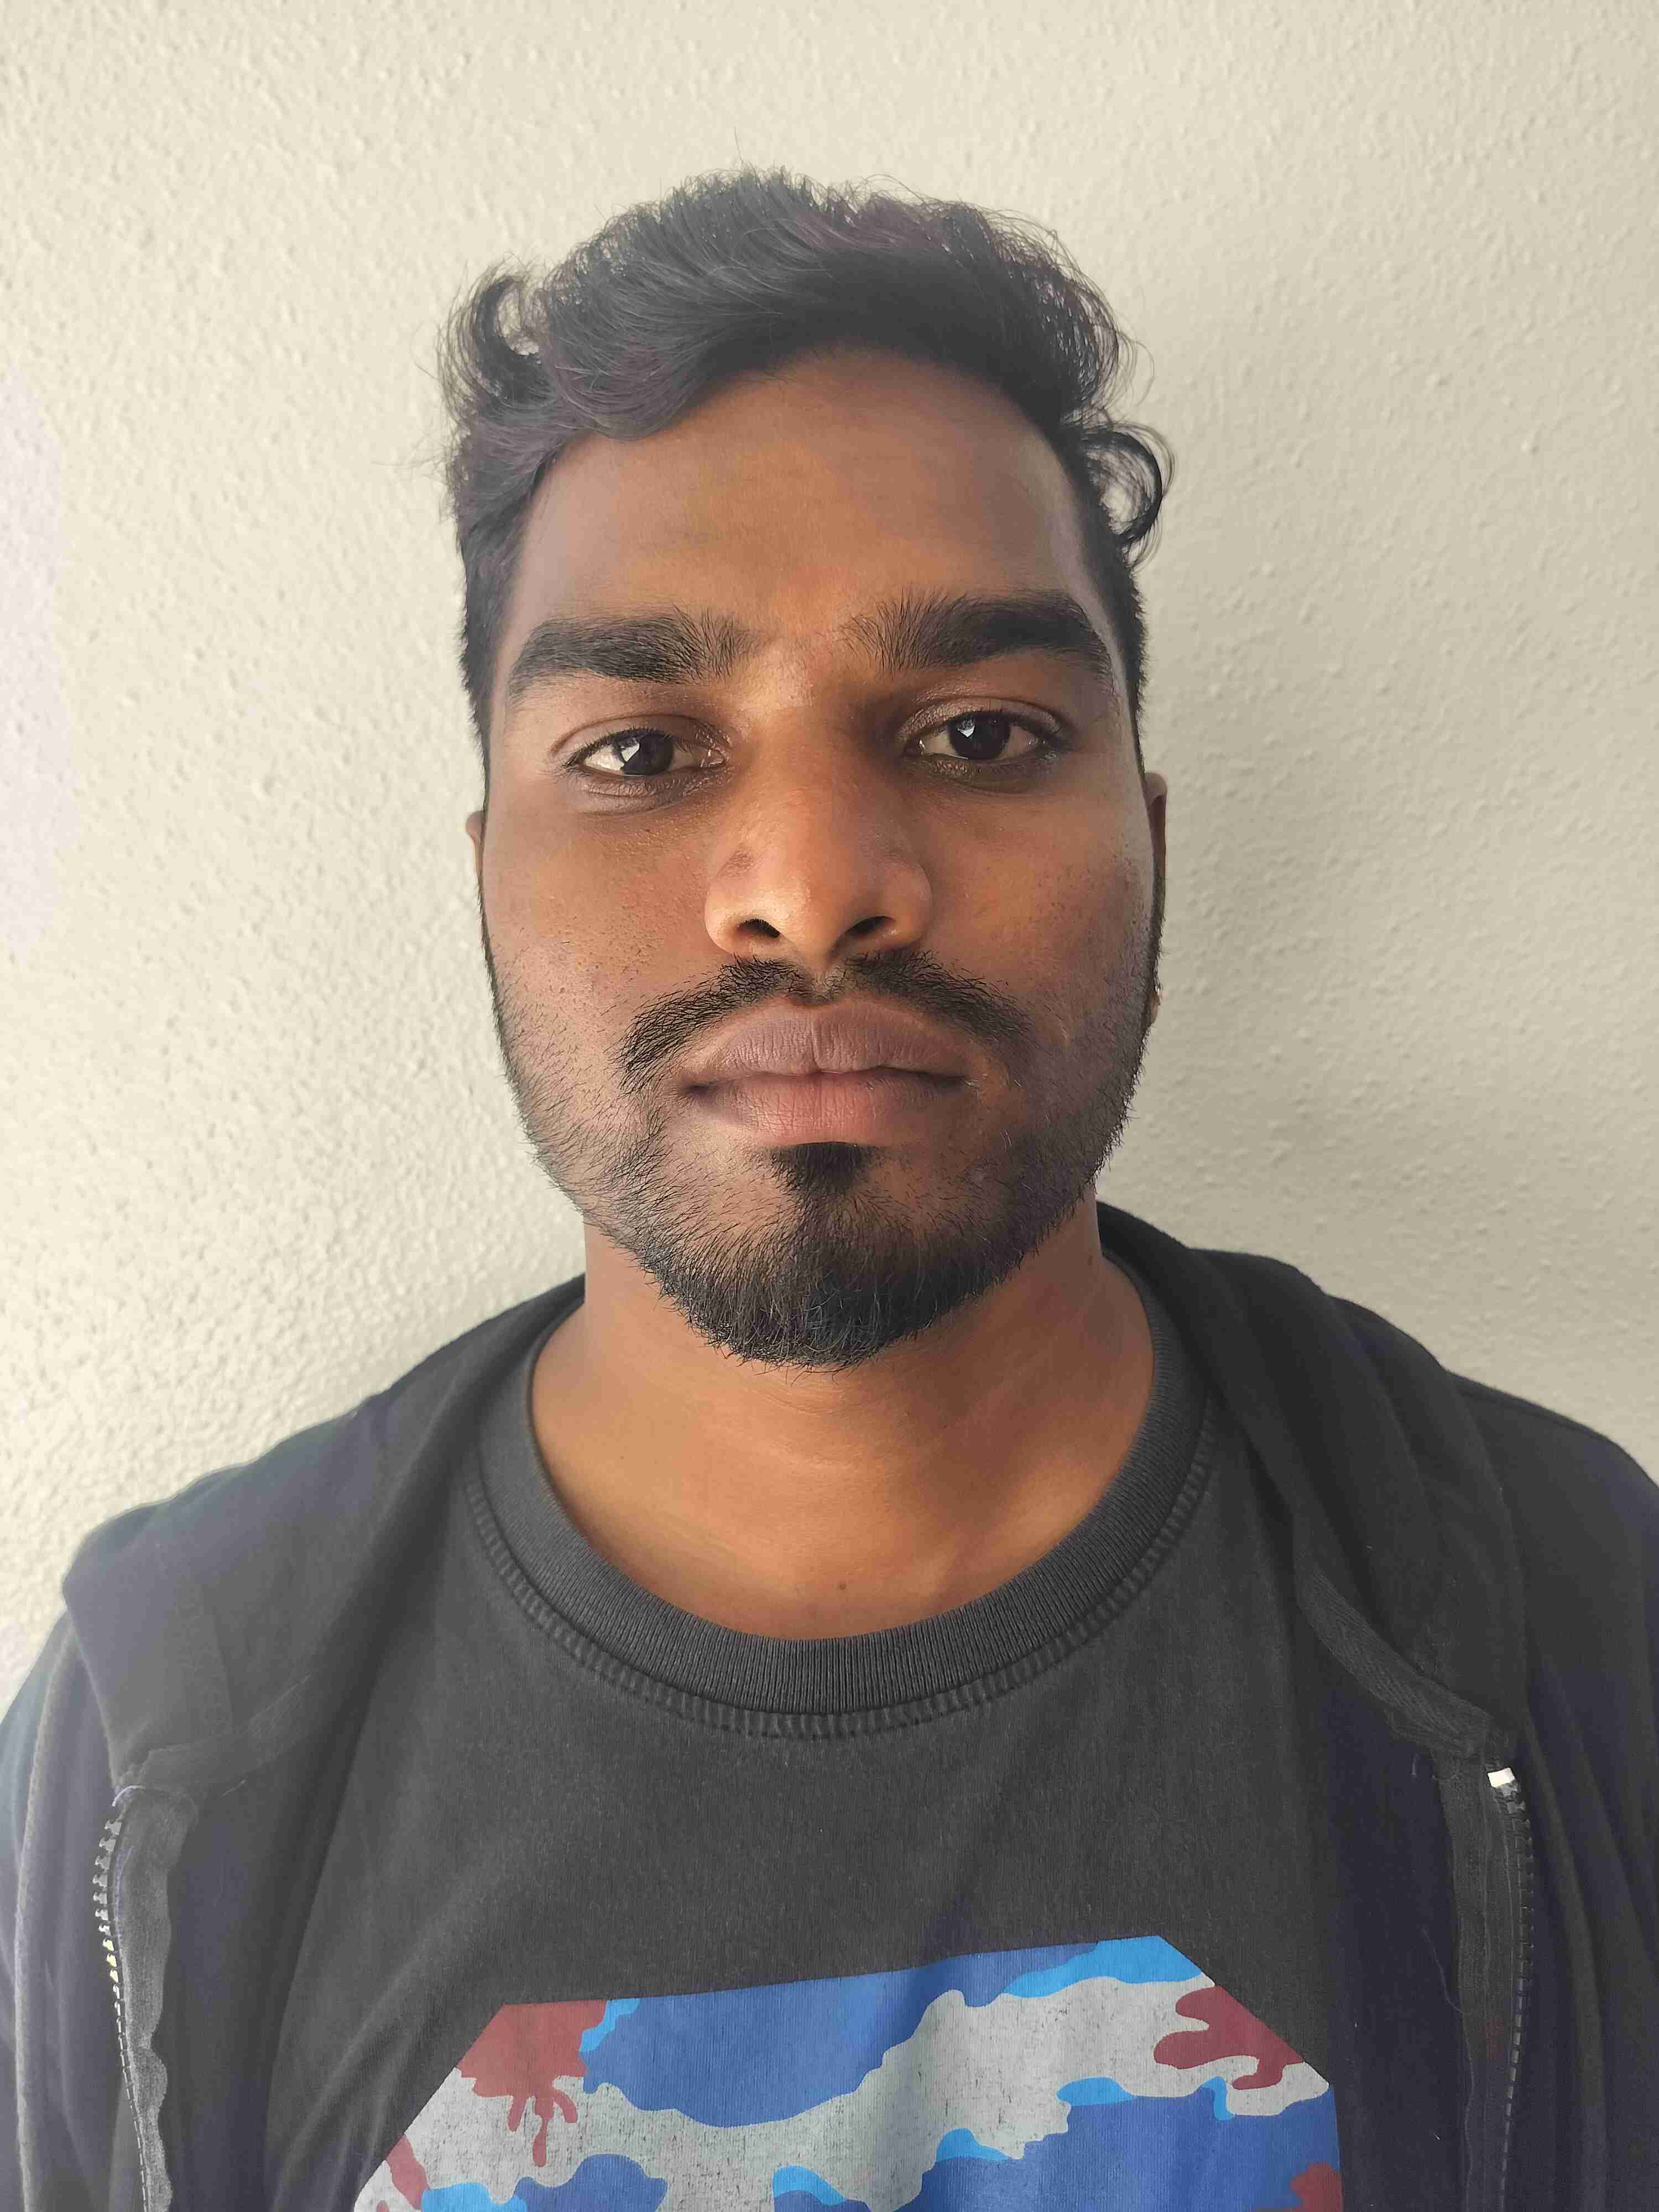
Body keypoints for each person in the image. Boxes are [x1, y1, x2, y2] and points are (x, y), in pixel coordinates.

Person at [2, 164, 1653, 2212]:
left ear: (1151, 845)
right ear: (487, 878)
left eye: (978, 733)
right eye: (642, 754)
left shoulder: (1577, 1614)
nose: (807, 888)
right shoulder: (162, 1741)